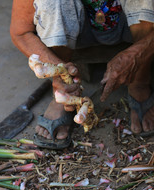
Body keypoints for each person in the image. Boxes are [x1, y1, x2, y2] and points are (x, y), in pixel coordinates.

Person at [10, 0, 154, 149]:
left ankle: (140, 81)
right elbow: (21, 32)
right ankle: (63, 92)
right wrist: (59, 70)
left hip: (129, 23)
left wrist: (139, 53)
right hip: (79, 31)